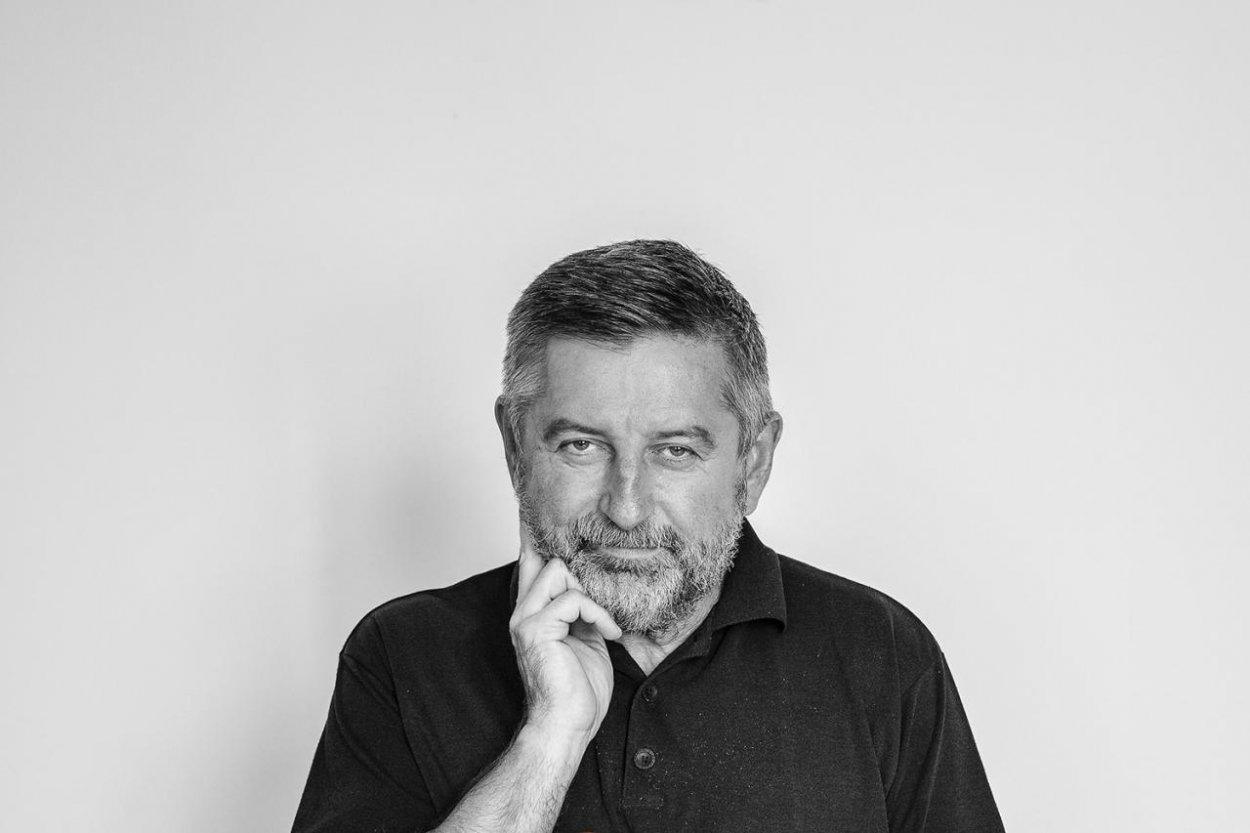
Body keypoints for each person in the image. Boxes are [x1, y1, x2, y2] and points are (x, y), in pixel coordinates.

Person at [291, 240, 1006, 833]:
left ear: (753, 461)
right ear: (514, 447)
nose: (626, 508)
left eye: (675, 451)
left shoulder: (882, 652)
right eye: (580, 445)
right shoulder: (403, 656)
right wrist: (549, 738)